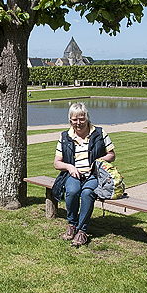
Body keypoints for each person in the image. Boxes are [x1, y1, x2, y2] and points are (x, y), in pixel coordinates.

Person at [53, 102, 115, 247]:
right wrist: (69, 167)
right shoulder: (64, 137)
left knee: (87, 193)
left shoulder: (99, 133)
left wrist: (99, 160)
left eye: (81, 119)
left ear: (87, 117)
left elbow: (111, 155)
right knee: (73, 191)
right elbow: (57, 163)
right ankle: (72, 224)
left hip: (94, 175)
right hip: (74, 175)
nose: (78, 123)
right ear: (70, 120)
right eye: (75, 119)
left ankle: (82, 231)